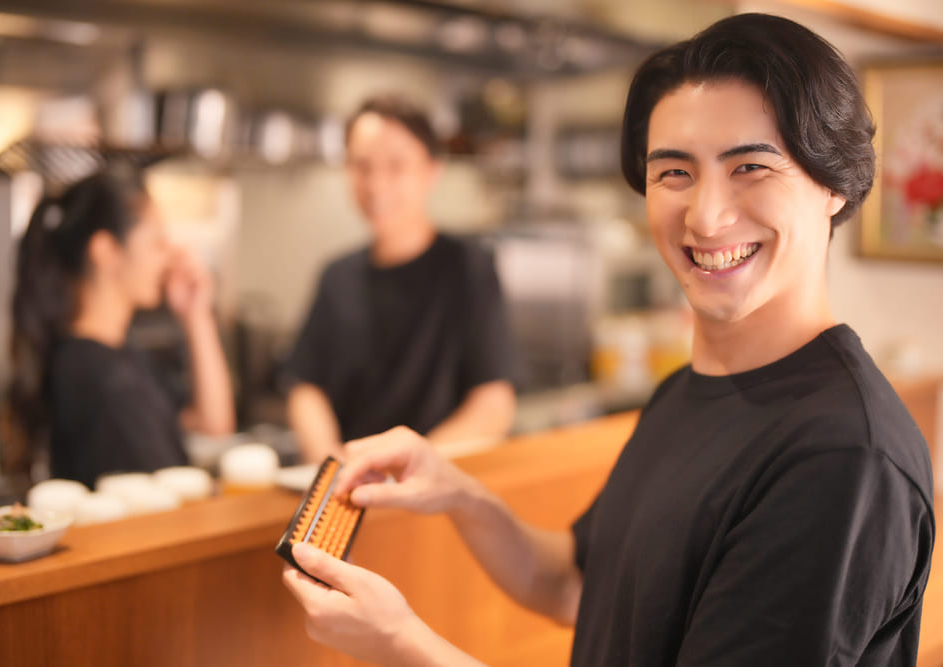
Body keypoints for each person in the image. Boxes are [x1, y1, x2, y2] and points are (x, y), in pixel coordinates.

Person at [282, 13, 936, 666]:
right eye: (674, 173)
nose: (706, 215)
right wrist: (459, 490)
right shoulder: (685, 392)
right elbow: (571, 584)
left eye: (750, 168)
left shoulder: (843, 454)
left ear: (835, 185)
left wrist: (404, 645)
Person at [285, 95, 517, 463]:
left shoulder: (468, 268)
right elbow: (307, 389)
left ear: (432, 171)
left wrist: (413, 467)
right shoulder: (337, 276)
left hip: (435, 488)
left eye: (396, 166)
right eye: (361, 166)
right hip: (353, 493)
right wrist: (329, 466)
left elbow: (493, 405)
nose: (376, 184)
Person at [2, 167, 235, 489]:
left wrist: (196, 316)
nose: (168, 257)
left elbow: (213, 424)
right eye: (156, 242)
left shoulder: (114, 355)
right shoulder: (101, 376)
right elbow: (165, 504)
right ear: (107, 250)